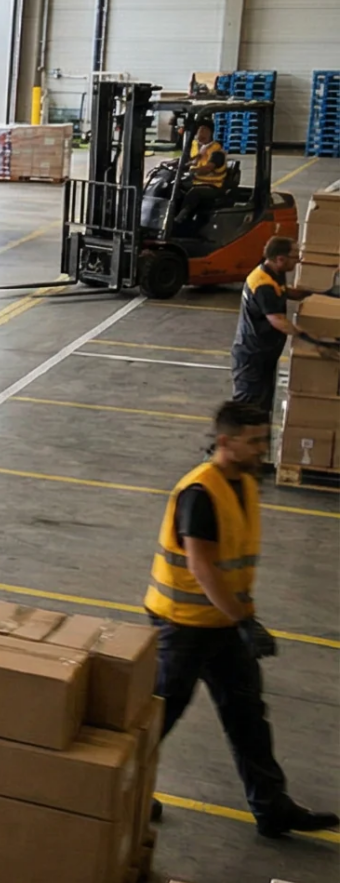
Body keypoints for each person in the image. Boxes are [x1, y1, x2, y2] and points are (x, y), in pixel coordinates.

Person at [142, 400, 336, 839]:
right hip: (183, 627)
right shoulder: (200, 492)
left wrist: (240, 620)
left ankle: (272, 808)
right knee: (156, 718)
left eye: (263, 440)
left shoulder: (243, 482)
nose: (261, 450)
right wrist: (246, 622)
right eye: (253, 442)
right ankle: (117, 791)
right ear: (226, 442)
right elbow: (202, 567)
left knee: (247, 715)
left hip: (224, 624)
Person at [231, 237, 334, 408]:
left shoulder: (274, 273)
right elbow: (277, 320)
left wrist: (318, 293)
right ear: (281, 259)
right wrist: (309, 338)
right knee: (248, 407)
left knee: (262, 405)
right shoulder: (263, 284)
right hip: (252, 357)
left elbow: (285, 292)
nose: (298, 260)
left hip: (264, 355)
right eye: (295, 256)